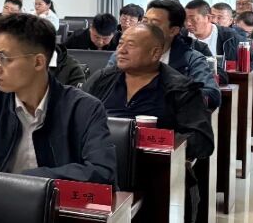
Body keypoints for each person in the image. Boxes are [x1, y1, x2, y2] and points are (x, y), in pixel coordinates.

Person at [0, 13, 116, 184]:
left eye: (3, 58)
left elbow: (101, 171)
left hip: (54, 203)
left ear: (38, 62)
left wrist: (24, 181)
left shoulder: (83, 109)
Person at [85, 23, 213, 162]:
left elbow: (202, 141)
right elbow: (76, 116)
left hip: (156, 167)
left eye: (130, 45)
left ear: (155, 53)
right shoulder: (102, 79)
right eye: (120, 44)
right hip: (99, 161)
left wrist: (158, 140)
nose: (121, 50)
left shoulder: (181, 89)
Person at [126, 0, 221, 109]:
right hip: (126, 115)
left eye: (155, 23)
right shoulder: (126, 53)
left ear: (173, 30)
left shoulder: (192, 59)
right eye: (145, 21)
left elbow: (212, 95)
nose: (147, 28)